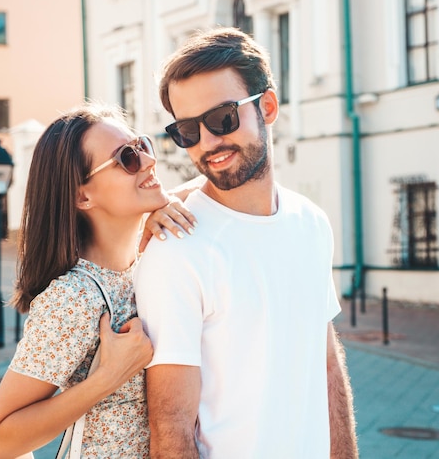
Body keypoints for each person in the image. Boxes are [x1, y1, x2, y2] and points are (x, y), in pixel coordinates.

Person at [135, 27, 358, 458]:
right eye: (188, 130)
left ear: (267, 106)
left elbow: (327, 365)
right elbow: (170, 430)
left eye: (222, 119)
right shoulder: (176, 248)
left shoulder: (311, 222)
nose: (208, 143)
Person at [0, 102, 195, 458]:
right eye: (127, 158)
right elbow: (0, 439)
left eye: (143, 145)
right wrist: (107, 378)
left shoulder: (149, 262)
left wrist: (172, 199)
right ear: (83, 195)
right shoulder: (74, 297)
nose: (148, 161)